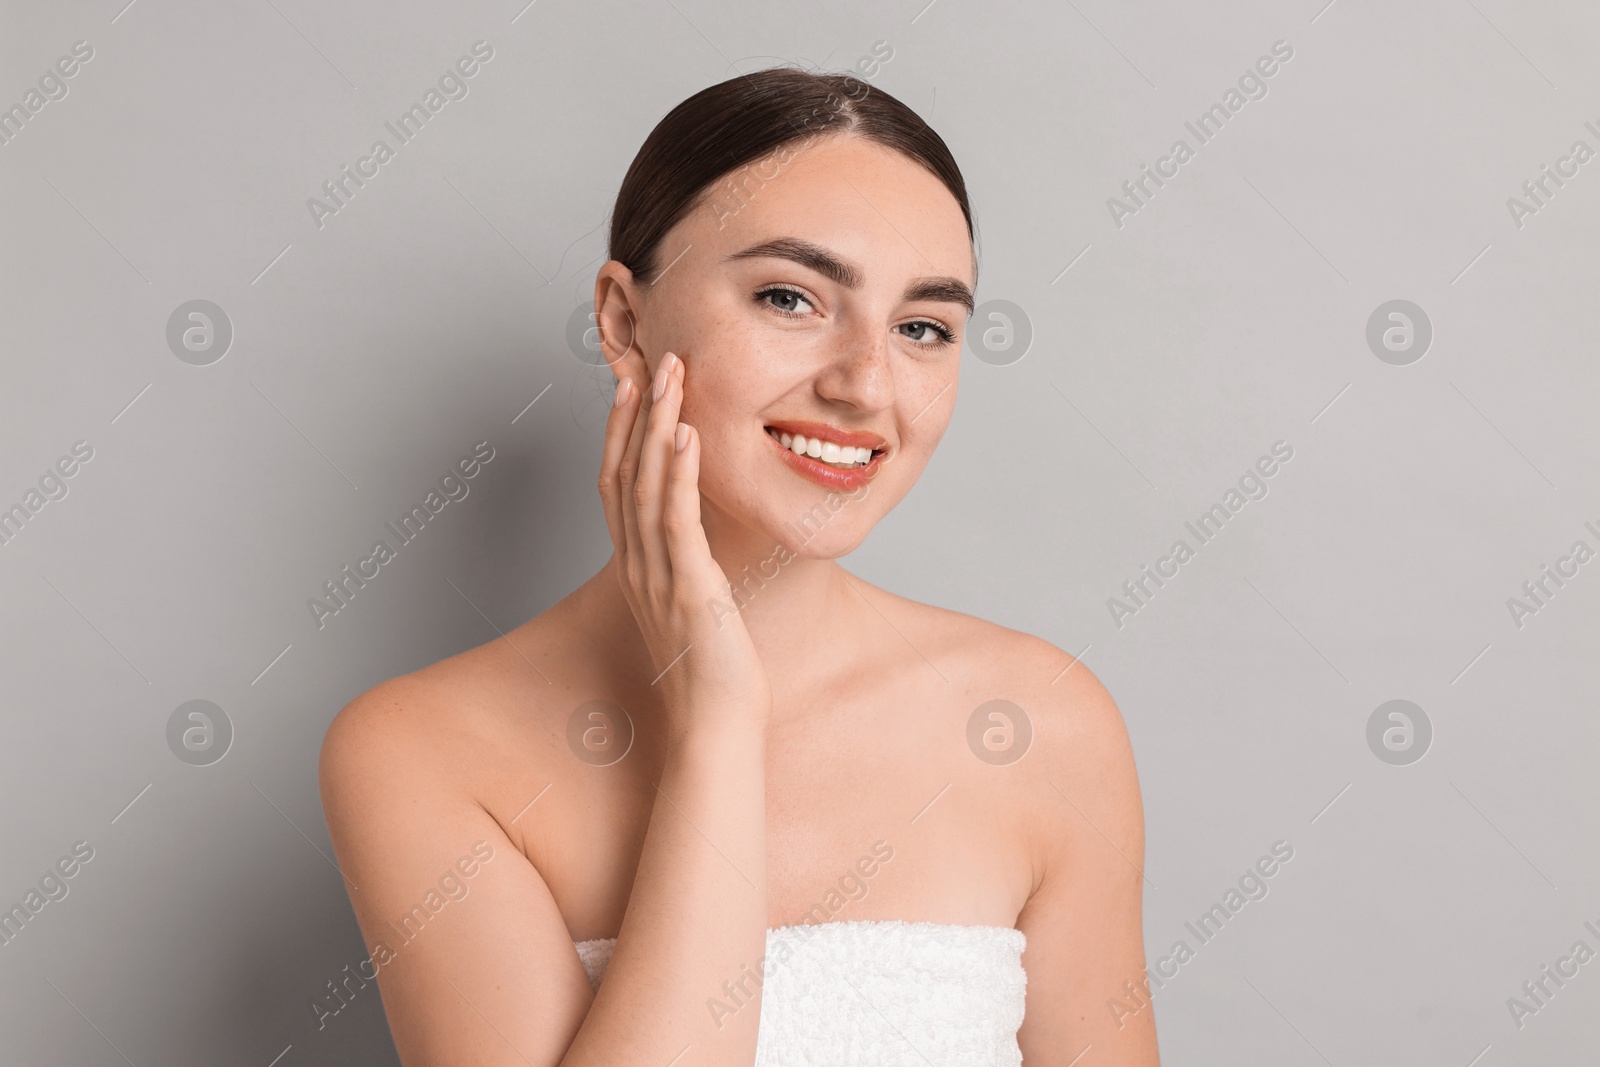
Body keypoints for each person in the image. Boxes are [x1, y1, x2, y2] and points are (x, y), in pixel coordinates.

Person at [320, 66, 1158, 1066]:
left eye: (921, 327)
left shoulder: (1042, 725)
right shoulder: (422, 750)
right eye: (790, 297)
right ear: (624, 321)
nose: (865, 384)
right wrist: (715, 718)